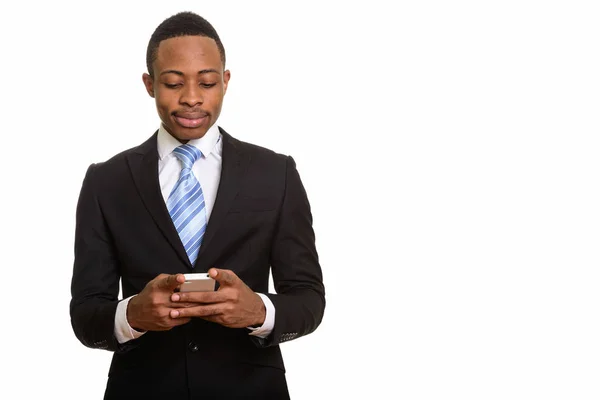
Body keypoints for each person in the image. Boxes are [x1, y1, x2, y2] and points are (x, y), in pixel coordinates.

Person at [69, 11, 325, 399]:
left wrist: (258, 311)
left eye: (206, 82)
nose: (191, 98)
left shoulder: (277, 173)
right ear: (150, 84)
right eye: (173, 83)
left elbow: (308, 298)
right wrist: (132, 315)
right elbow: (86, 314)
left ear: (225, 81)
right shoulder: (106, 181)